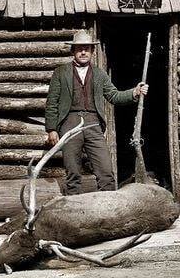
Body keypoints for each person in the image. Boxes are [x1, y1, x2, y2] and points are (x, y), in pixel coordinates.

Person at [44, 30, 148, 195]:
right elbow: (52, 103)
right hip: (69, 123)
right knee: (73, 173)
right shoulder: (61, 73)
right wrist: (51, 129)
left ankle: (107, 212)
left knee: (106, 172)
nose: (83, 52)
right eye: (79, 49)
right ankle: (74, 214)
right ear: (73, 51)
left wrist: (134, 92)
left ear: (92, 52)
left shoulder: (100, 74)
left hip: (93, 123)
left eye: (87, 48)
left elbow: (114, 96)